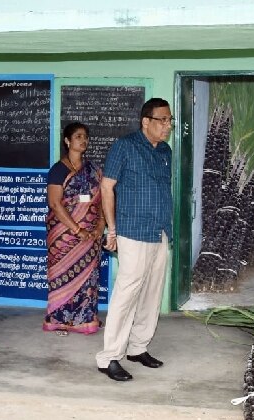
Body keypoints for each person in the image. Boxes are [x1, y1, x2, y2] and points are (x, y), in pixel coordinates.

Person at [95, 98, 173, 381]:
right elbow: (107, 188)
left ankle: (138, 348)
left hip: (159, 232)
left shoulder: (165, 151)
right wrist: (111, 230)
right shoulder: (124, 146)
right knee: (126, 296)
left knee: (152, 293)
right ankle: (109, 357)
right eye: (162, 120)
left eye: (169, 120)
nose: (167, 126)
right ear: (146, 121)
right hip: (132, 232)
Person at [43, 122, 106, 335]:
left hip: (91, 235)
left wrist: (99, 227)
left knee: (89, 278)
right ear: (67, 141)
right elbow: (55, 203)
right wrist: (77, 230)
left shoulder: (94, 171)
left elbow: (103, 201)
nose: (83, 140)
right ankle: (60, 318)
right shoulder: (58, 170)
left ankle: (86, 318)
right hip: (64, 235)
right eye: (78, 136)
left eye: (85, 136)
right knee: (62, 275)